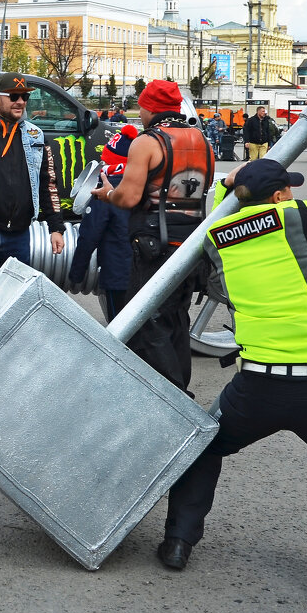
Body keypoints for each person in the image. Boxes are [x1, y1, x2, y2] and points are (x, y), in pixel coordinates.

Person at [155, 87, 307, 602]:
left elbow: (223, 203)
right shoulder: (301, 219)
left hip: (254, 383)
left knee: (204, 448)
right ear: (282, 195)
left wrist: (234, 186)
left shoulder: (219, 234)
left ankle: (177, 542)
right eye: (288, 188)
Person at [91, 79, 213, 393]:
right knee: (176, 321)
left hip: (150, 248)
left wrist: (108, 194)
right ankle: (179, 390)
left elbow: (129, 198)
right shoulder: (201, 140)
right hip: (191, 246)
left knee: (146, 325)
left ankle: (172, 399)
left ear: (148, 108)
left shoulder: (147, 142)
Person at [0, 72, 65, 304]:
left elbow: (48, 182)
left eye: (25, 97)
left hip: (19, 235)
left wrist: (55, 227)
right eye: (14, 96)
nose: (20, 102)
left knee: (10, 301)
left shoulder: (35, 135)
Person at [69, 125, 134, 322]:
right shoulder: (143, 184)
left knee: (122, 327)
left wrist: (76, 274)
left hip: (117, 274)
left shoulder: (106, 190)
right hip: (147, 271)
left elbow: (90, 235)